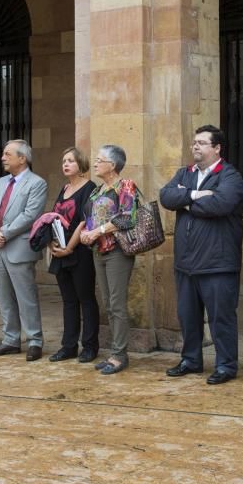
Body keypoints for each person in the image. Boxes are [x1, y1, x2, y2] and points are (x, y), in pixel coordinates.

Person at [159, 125, 243, 385]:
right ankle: (191, 360)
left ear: (217, 148)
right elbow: (166, 196)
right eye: (193, 143)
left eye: (202, 143)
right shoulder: (184, 173)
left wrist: (184, 201)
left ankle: (226, 365)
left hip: (218, 263)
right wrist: (195, 195)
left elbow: (221, 204)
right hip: (186, 262)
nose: (195, 147)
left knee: (221, 318)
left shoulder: (230, 176)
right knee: (188, 316)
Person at [0, 139, 48, 361]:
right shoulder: (1, 182)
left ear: (22, 158)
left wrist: (4, 233)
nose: (3, 158)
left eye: (7, 154)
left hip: (18, 247)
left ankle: (34, 341)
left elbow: (30, 215)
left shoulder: (36, 183)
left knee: (25, 297)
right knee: (4, 298)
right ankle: (10, 340)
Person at [80, 144, 139, 374]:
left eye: (99, 160)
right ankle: (114, 352)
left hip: (117, 252)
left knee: (116, 304)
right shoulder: (97, 191)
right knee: (108, 303)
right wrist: (86, 233)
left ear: (112, 165)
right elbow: (89, 218)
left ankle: (119, 355)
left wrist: (98, 231)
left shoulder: (126, 186)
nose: (95, 163)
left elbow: (127, 218)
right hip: (98, 251)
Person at [47, 147, 99, 363]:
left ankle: (90, 346)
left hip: (79, 251)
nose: (65, 164)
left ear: (81, 165)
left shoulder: (90, 187)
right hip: (61, 251)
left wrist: (69, 247)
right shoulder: (64, 188)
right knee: (68, 300)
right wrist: (52, 242)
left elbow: (84, 220)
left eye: (70, 161)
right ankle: (68, 346)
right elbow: (55, 216)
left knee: (85, 299)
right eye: (63, 160)